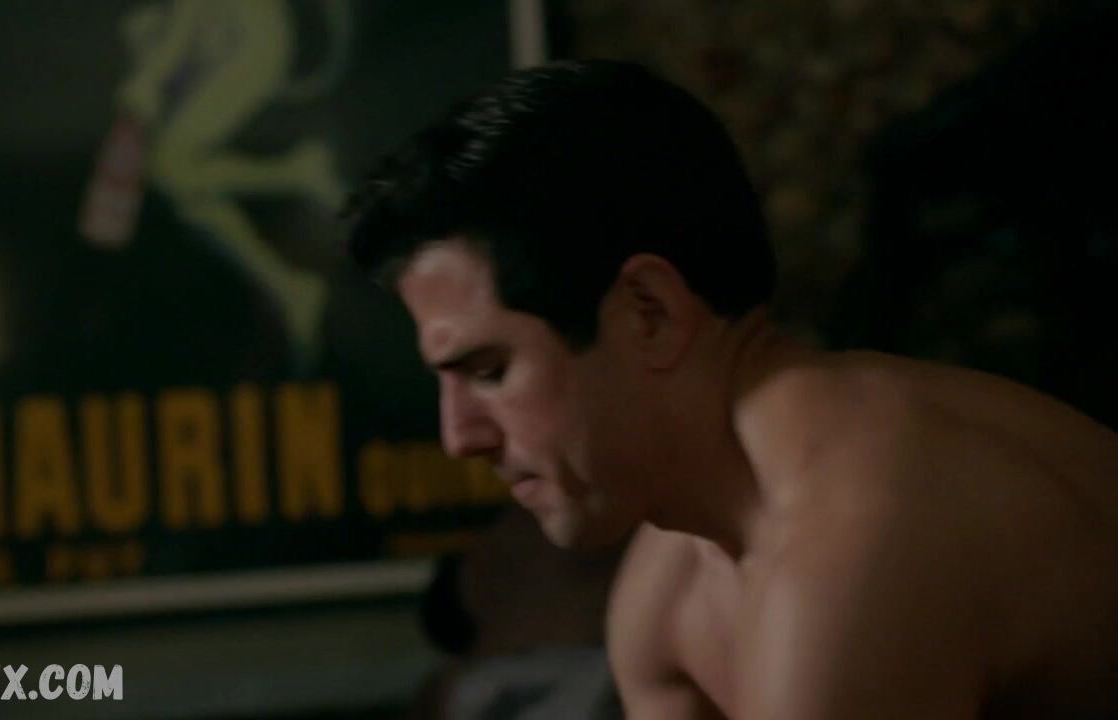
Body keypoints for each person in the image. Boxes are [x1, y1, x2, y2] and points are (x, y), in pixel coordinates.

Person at [345, 60, 1118, 719]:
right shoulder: (670, 587)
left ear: (648, 312)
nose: (460, 437)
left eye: (489, 371)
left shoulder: (856, 549)